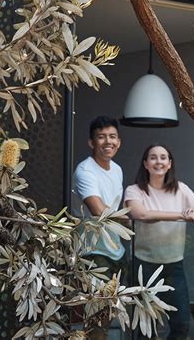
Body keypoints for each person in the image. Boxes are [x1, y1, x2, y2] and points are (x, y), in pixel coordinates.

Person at [124, 143, 194, 340]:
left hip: (174, 266)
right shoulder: (134, 190)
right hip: (143, 266)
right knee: (146, 327)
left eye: (163, 157)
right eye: (153, 157)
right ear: (145, 164)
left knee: (181, 323)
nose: (158, 161)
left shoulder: (181, 189)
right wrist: (182, 215)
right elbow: (142, 214)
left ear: (170, 163)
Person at [72, 115, 126, 340]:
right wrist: (130, 219)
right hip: (92, 251)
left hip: (115, 249)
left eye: (112, 137)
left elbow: (113, 207)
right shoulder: (85, 171)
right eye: (101, 137)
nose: (108, 142)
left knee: (108, 313)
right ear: (91, 142)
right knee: (95, 313)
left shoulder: (117, 170)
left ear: (119, 142)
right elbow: (97, 209)